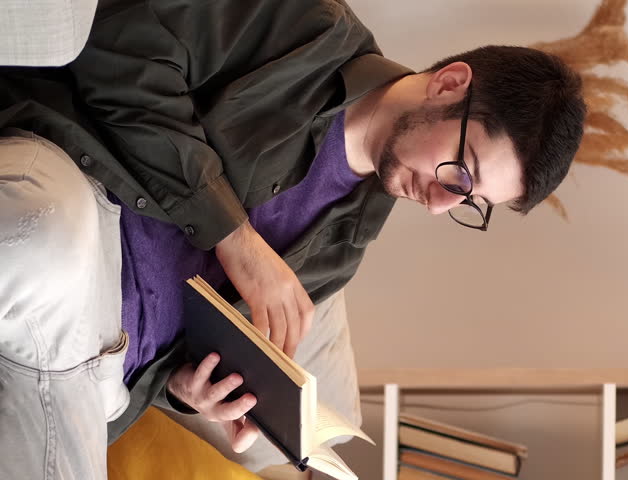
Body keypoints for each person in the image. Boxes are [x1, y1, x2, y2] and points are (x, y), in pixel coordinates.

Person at [0, 0, 586, 478]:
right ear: (450, 84)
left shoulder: (349, 239)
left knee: (77, 392)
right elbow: (118, 50)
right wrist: (234, 236)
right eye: (460, 174)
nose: (439, 204)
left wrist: (185, 388)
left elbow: (179, 354)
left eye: (468, 202)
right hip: (74, 198)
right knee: (48, 240)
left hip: (103, 375)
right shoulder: (303, 28)